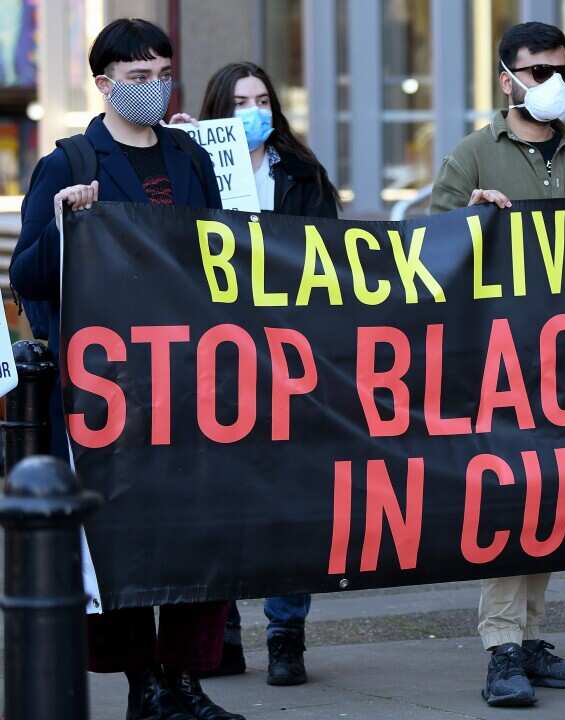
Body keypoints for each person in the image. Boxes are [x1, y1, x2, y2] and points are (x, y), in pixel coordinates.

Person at [11, 18, 243, 720]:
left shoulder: (187, 156)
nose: (154, 86)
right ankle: (145, 684)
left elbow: (220, 251)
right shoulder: (70, 163)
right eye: (138, 77)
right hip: (110, 393)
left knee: (195, 529)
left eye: (162, 73)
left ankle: (187, 679)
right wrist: (61, 223)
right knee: (118, 538)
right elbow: (29, 276)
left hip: (189, 380)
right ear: (105, 82)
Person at [429, 21, 565, 708]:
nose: (553, 83)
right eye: (538, 72)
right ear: (506, 78)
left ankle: (530, 640)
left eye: (563, 69)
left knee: (553, 494)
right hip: (501, 361)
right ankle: (500, 646)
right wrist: (470, 220)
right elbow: (429, 250)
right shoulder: (473, 154)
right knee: (511, 495)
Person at [173, 60, 340, 687]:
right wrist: (179, 149)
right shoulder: (188, 166)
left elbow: (328, 259)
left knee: (291, 493)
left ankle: (285, 634)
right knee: (222, 491)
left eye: (262, 99)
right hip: (215, 354)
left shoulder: (303, 175)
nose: (253, 110)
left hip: (289, 352)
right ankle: (224, 634)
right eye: (240, 100)